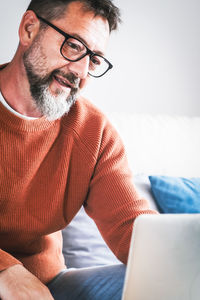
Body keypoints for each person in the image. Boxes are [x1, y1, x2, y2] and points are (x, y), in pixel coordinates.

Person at [0, 0, 156, 299]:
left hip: (50, 286)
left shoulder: (92, 130)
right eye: (74, 46)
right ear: (29, 28)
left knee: (152, 282)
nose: (81, 71)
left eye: (95, 59)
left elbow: (130, 224)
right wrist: (7, 270)